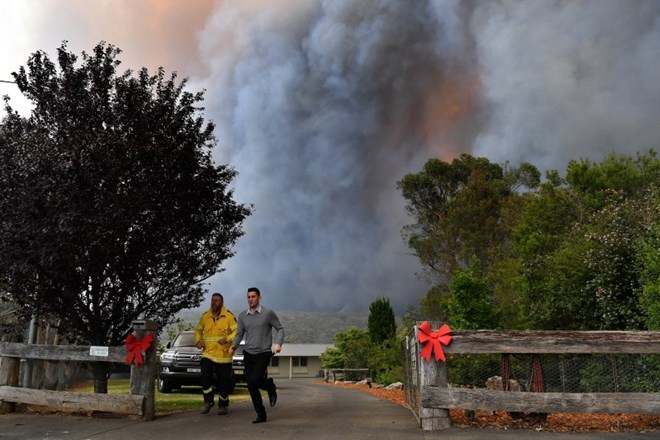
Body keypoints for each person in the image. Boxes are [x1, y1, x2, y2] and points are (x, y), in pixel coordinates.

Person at [229, 287, 284, 424]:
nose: (250, 299)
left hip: (263, 352)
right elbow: (239, 334)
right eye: (248, 297)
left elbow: (280, 329)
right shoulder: (242, 316)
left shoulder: (268, 313)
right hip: (248, 353)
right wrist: (234, 346)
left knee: (254, 380)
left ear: (259, 297)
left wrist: (278, 344)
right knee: (252, 385)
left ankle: (269, 387)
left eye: (253, 296)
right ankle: (261, 414)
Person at [195, 292, 237, 415]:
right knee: (204, 377)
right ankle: (208, 401)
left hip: (224, 356)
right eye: (212, 300)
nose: (214, 302)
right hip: (207, 354)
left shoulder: (229, 316)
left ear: (222, 302)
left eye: (217, 300)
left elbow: (237, 331)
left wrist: (227, 339)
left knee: (224, 383)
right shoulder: (205, 316)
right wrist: (198, 341)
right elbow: (198, 330)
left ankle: (223, 405)